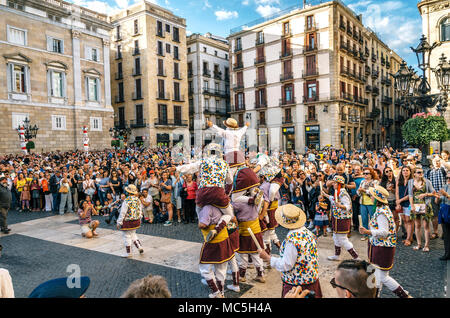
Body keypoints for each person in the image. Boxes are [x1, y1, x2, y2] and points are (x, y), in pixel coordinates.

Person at [359, 185, 412, 298]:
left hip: (382, 248)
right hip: (379, 246)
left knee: (382, 276)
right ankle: (372, 294)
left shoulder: (382, 212)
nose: (371, 197)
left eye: (372, 196)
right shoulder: (381, 209)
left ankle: (404, 295)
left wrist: (367, 231)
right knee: (373, 271)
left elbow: (384, 232)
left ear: (376, 199)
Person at [258, 204, 322, 298]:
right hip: (312, 280)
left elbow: (286, 264)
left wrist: (268, 258)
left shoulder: (292, 240)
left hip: (297, 286)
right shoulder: (309, 233)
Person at [198, 205, 235, 298]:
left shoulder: (207, 207)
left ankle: (216, 293)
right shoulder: (224, 206)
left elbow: (202, 224)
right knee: (221, 270)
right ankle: (221, 293)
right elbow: (230, 216)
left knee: (204, 269)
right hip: (224, 240)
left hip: (212, 242)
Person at [325, 175, 359, 261]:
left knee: (343, 239)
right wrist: (325, 195)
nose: (333, 184)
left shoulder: (343, 193)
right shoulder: (338, 192)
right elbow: (334, 199)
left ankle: (356, 256)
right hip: (337, 218)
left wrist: (340, 206)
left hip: (342, 219)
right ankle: (337, 255)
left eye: (335, 183)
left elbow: (348, 206)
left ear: (339, 184)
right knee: (335, 236)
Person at [409, 167, 436, 252]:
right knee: (417, 225)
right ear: (414, 174)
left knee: (426, 226)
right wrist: (412, 205)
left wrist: (425, 194)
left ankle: (426, 245)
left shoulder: (427, 182)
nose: (421, 174)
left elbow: (433, 193)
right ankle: (419, 244)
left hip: (425, 205)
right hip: (415, 206)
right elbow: (410, 195)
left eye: (421, 172)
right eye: (418, 172)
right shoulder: (411, 182)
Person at [117, 184, 144, 258]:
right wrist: (140, 218)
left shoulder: (127, 201)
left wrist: (119, 222)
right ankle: (139, 246)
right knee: (133, 234)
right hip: (136, 220)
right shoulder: (138, 200)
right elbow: (140, 210)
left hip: (128, 221)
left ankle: (129, 253)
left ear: (128, 192)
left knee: (126, 236)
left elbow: (122, 212)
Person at [427, 157, 446, 240]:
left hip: (443, 195)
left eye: (438, 161)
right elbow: (428, 184)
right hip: (433, 195)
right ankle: (435, 232)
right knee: (434, 215)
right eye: (435, 161)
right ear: (432, 162)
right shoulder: (429, 172)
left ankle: (445, 233)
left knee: (444, 215)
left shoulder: (443, 170)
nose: (437, 162)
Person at [357, 168, 379, 240]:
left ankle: (373, 233)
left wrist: (364, 190)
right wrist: (359, 191)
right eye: (364, 173)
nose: (365, 175)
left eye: (367, 173)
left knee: (373, 218)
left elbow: (374, 192)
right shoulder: (362, 181)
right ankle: (365, 234)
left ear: (371, 174)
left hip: (371, 202)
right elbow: (358, 192)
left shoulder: (375, 182)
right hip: (363, 202)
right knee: (364, 219)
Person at [396, 166, 414, 246]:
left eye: (407, 170)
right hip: (401, 203)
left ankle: (408, 239)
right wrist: (398, 202)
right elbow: (397, 192)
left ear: (410, 172)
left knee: (409, 220)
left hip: (409, 203)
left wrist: (400, 200)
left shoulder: (412, 181)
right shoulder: (399, 180)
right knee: (404, 220)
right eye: (404, 170)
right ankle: (409, 237)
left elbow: (410, 194)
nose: (405, 172)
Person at [436, 175, 450, 260]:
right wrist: (437, 198)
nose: (448, 179)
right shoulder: (445, 186)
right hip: (445, 211)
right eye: (447, 178)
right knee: (446, 234)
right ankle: (447, 253)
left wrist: (446, 195)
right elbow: (438, 200)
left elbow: (446, 196)